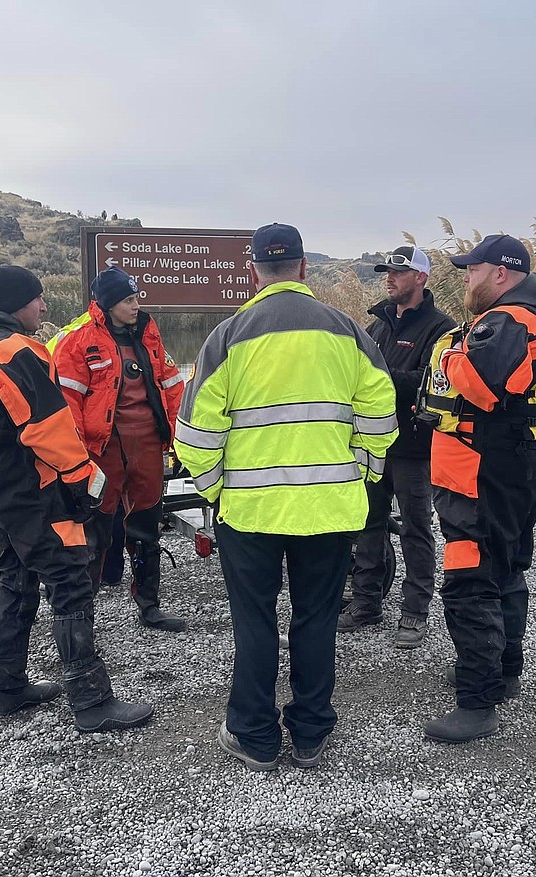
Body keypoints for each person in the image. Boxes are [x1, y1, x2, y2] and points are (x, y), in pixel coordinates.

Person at [175, 223, 397, 771]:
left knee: (254, 623)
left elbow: (194, 435)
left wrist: (217, 490)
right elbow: (381, 417)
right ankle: (311, 730)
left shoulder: (227, 335)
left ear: (254, 271)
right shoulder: (351, 333)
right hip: (329, 509)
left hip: (249, 511)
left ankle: (253, 734)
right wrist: (360, 475)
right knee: (316, 620)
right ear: (303, 268)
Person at [0, 265, 152, 731]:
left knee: (15, 579)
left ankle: (7, 685)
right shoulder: (19, 352)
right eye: (37, 300)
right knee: (71, 582)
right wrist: (85, 481)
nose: (43, 308)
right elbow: (48, 427)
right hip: (35, 489)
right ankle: (91, 700)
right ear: (18, 303)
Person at [419, 234, 536, 743]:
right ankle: (504, 672)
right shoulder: (534, 317)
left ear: (500, 273)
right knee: (505, 567)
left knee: (470, 578)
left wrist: (446, 356)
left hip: (481, 468)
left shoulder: (508, 320)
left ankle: (477, 701)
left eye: (472, 270)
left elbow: (480, 387)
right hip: (511, 463)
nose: (466, 279)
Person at [52, 267, 188, 632]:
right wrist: (77, 460)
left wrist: (180, 442)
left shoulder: (149, 335)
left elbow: (173, 389)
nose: (136, 305)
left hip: (146, 446)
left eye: (137, 298)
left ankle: (149, 606)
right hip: (103, 451)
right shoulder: (78, 341)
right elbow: (67, 405)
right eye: (128, 300)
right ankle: (81, 614)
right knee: (93, 532)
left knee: (146, 526)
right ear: (108, 304)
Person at [338, 246, 456, 648]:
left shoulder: (443, 328)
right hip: (374, 442)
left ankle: (415, 609)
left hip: (415, 448)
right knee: (368, 523)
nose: (389, 278)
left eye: (398, 273)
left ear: (421, 278)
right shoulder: (378, 325)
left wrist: (380, 377)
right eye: (386, 271)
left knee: (416, 527)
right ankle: (367, 602)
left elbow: (434, 380)